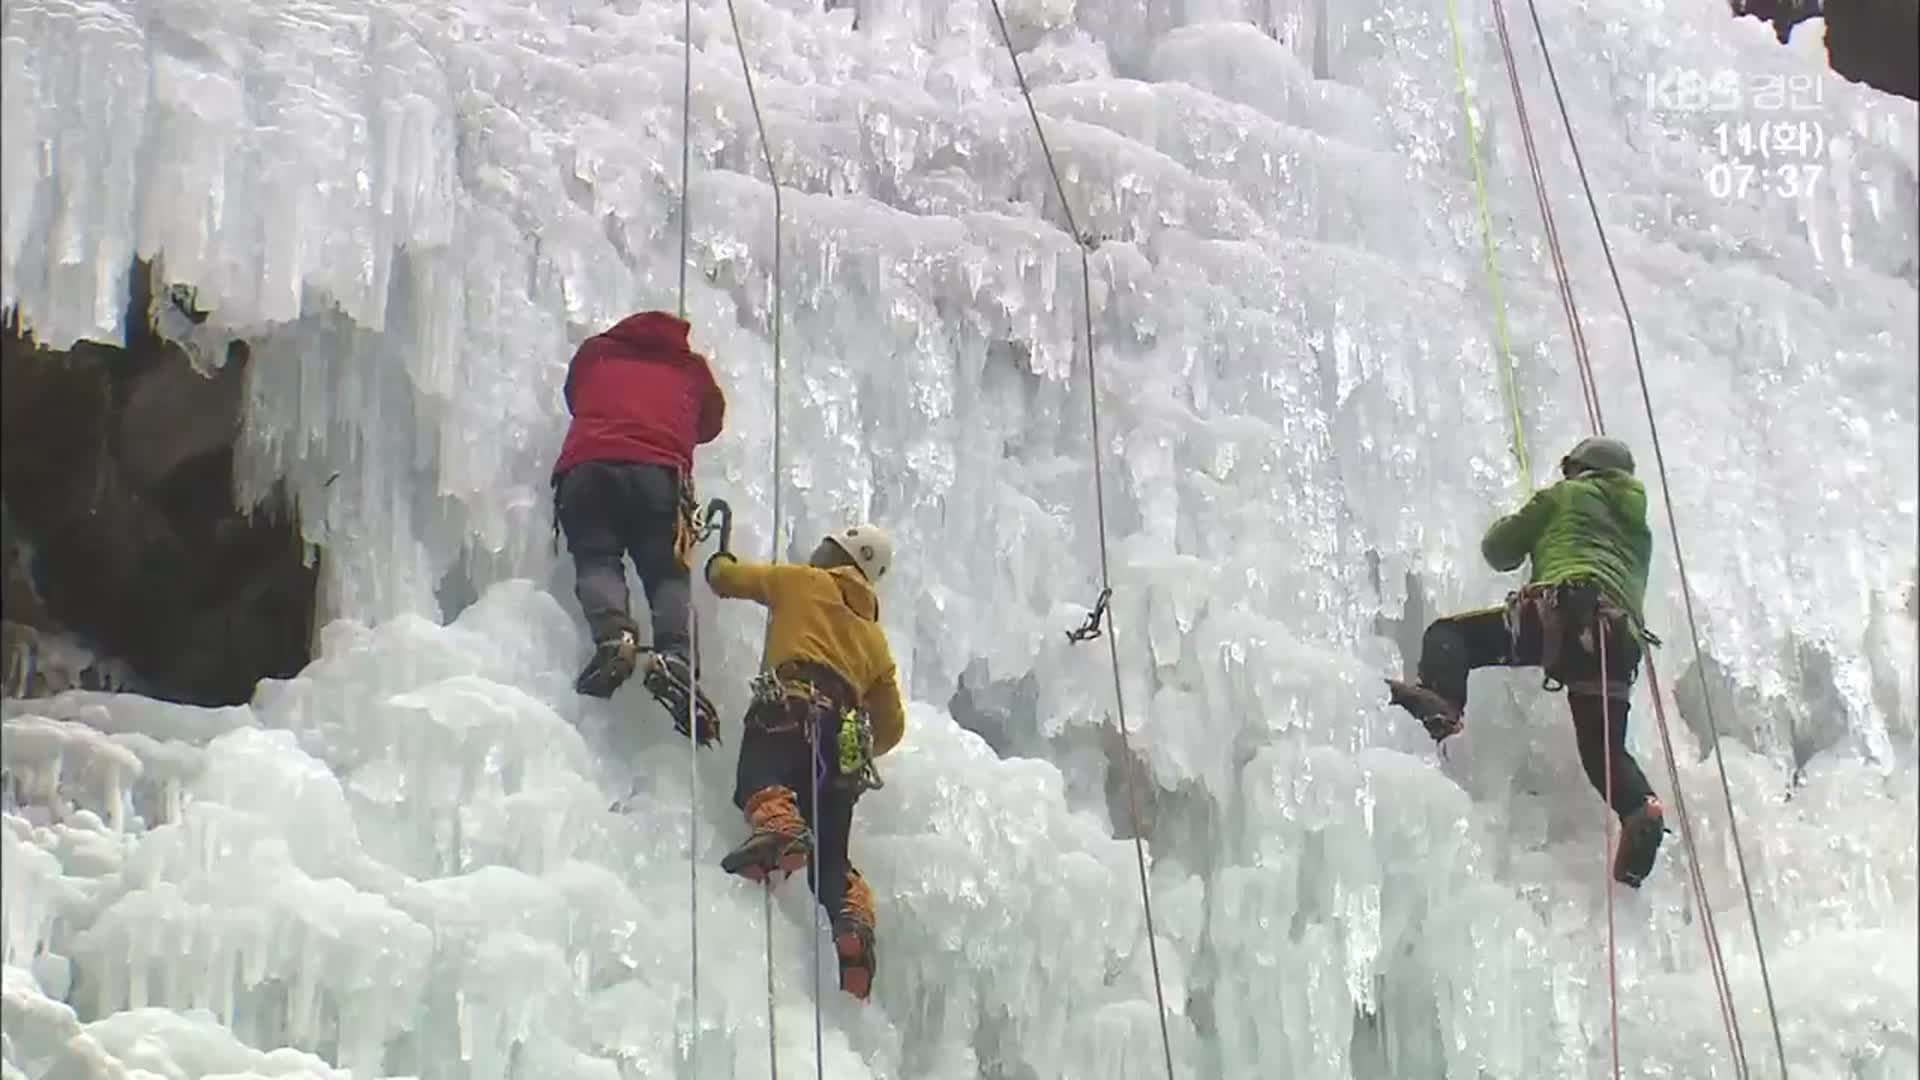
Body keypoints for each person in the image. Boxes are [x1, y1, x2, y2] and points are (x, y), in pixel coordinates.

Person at [1386, 436, 1667, 887]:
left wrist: (1532, 519)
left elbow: (1499, 551)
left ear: (1581, 469)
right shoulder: (1640, 531)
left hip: (1565, 618)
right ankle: (1640, 807)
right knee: (1603, 753)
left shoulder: (1567, 494)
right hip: (1617, 645)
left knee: (1450, 635)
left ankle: (1444, 702)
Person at [703, 524, 907, 1001]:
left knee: (758, 777)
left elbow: (732, 579)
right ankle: (852, 917)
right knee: (830, 860)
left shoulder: (803, 581)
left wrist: (715, 562)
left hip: (789, 707)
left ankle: (778, 826)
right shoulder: (875, 641)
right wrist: (860, 745)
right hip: (843, 749)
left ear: (838, 554)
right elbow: (893, 725)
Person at [552, 310, 723, 743]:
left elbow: (575, 394)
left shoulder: (597, 353)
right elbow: (711, 422)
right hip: (658, 476)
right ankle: (675, 658)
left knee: (596, 560)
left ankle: (615, 636)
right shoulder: (690, 368)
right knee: (666, 573)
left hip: (587, 468)